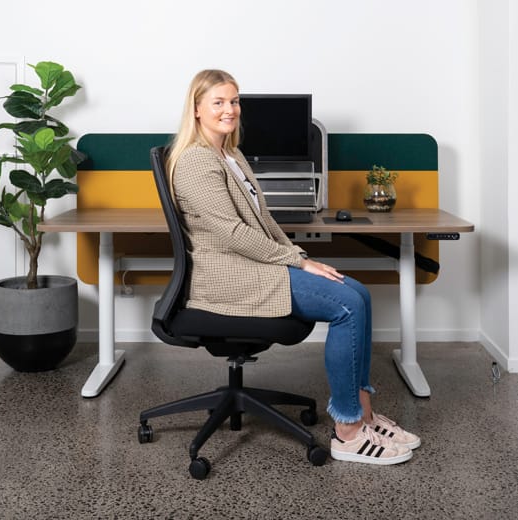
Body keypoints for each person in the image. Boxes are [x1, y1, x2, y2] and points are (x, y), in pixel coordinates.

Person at [166, 69, 420, 465]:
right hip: (230, 279)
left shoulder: (229, 155)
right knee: (346, 306)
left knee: (360, 293)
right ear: (197, 109)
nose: (230, 110)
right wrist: (297, 261)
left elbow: (263, 223)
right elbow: (233, 233)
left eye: (234, 101)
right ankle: (349, 432)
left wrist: (303, 260)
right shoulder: (197, 163)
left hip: (253, 266)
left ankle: (365, 414)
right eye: (218, 102)